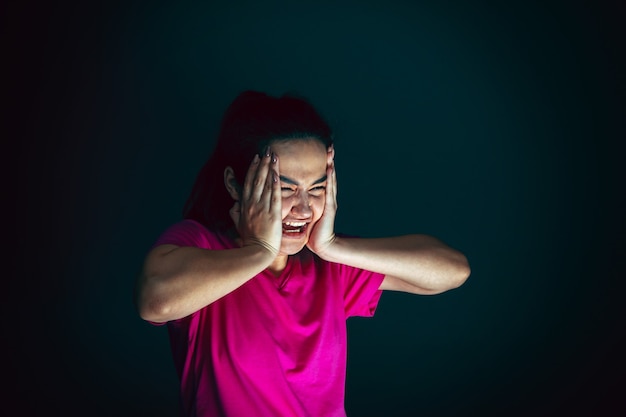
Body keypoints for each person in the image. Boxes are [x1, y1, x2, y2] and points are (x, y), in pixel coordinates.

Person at [134, 90, 470, 417]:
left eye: (317, 189)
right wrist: (260, 250)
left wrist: (332, 246)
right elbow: (155, 301)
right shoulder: (199, 244)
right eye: (286, 188)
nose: (305, 208)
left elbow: (453, 271)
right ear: (235, 184)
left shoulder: (331, 267)